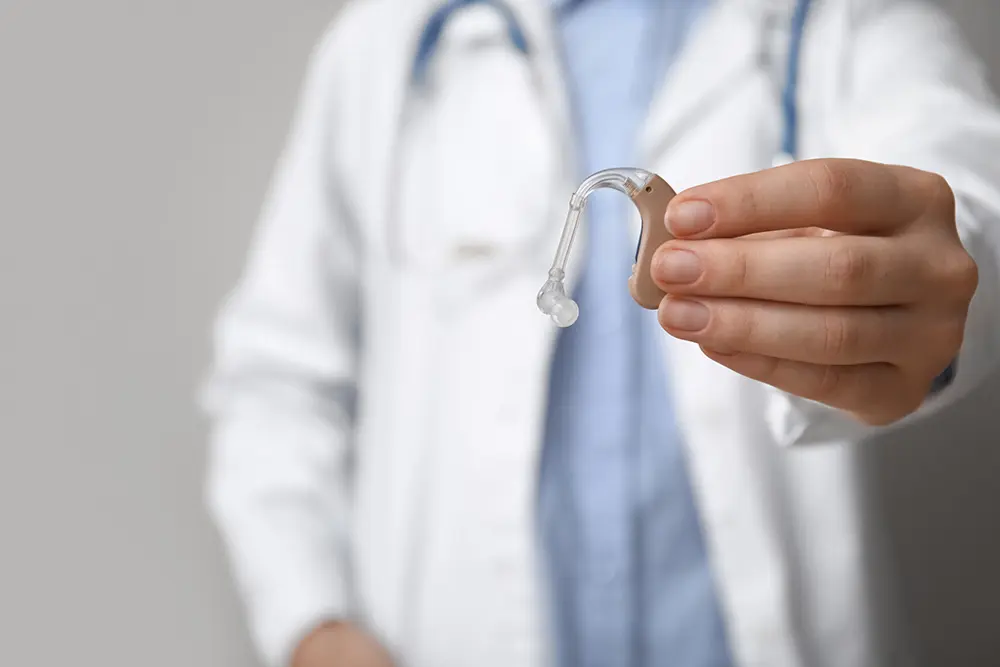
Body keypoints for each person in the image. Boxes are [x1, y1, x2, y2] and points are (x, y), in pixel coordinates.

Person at [199, 1, 1000, 666]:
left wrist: (923, 289)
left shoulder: (843, 23)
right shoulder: (388, 45)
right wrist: (313, 623)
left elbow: (965, 191)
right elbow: (275, 381)